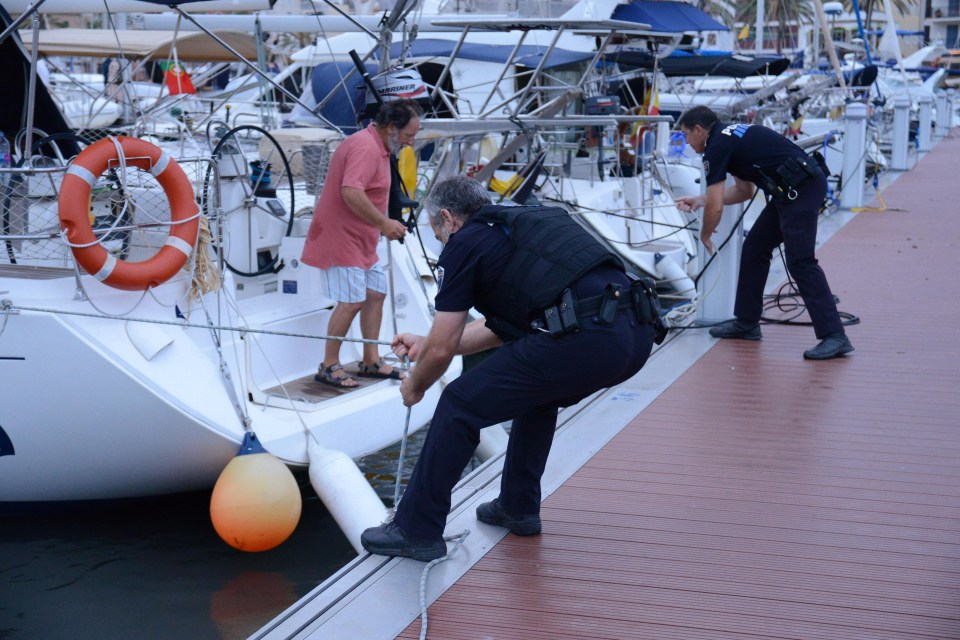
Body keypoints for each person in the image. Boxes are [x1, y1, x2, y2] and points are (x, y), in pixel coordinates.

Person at [360, 176, 662, 561]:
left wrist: (416, 385)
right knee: (537, 392)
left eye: (437, 234)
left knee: (459, 403)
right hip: (634, 334)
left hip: (588, 336)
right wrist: (428, 344)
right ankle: (517, 506)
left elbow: (442, 353)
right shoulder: (522, 224)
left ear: (449, 220)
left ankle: (416, 529)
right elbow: (493, 331)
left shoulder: (465, 242)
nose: (441, 243)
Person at [674, 105, 854, 360]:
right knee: (755, 248)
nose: (686, 143)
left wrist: (704, 234)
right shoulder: (728, 136)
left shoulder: (715, 147)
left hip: (801, 189)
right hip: (791, 191)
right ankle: (747, 323)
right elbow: (744, 192)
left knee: (800, 261)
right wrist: (700, 199)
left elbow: (716, 208)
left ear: (699, 130)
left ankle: (835, 336)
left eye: (685, 135)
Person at [301, 99, 423, 387]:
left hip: (362, 241)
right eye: (408, 135)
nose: (411, 142)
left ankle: (370, 361)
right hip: (341, 239)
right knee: (351, 301)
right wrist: (384, 223)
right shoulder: (365, 147)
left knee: (376, 294)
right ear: (392, 128)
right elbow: (351, 192)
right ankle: (328, 365)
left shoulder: (381, 147)